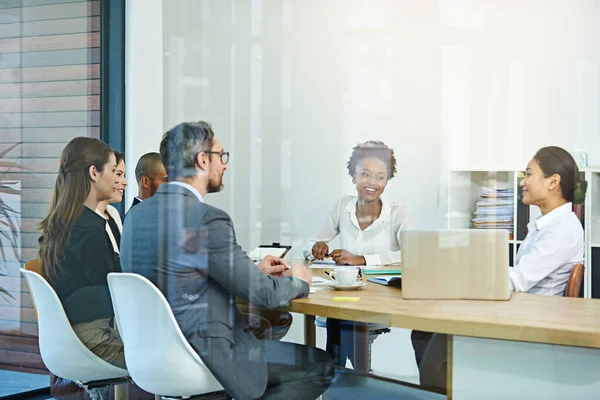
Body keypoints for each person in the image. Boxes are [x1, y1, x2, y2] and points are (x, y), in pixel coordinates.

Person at [121, 121, 333, 400]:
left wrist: (250, 271)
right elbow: (264, 293)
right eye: (221, 156)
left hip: (149, 357)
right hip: (204, 354)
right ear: (202, 160)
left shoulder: (135, 217)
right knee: (319, 365)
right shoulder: (208, 219)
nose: (225, 165)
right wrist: (299, 281)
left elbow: (180, 272)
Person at [414, 146, 587, 394]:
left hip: (527, 323)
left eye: (528, 174)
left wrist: (458, 278)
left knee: (432, 341)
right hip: (517, 311)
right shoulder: (547, 225)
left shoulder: (562, 230)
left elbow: (516, 279)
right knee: (423, 331)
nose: (523, 182)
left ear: (553, 182)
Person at [304, 140, 409, 370]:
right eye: (365, 174)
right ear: (353, 176)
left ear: (387, 180)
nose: (372, 182)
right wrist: (316, 247)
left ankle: (341, 376)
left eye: (380, 176)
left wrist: (361, 259)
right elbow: (311, 241)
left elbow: (411, 254)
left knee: (341, 318)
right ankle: (353, 378)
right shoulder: (343, 206)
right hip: (346, 296)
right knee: (340, 313)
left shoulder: (397, 213)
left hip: (380, 298)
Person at [38, 137, 125, 368]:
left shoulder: (65, 222)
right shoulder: (88, 229)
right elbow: (113, 284)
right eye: (113, 170)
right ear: (94, 173)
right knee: (169, 354)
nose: (118, 179)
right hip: (94, 340)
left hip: (70, 337)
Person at [97, 151, 128, 253]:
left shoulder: (113, 212)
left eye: (124, 175)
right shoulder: (87, 219)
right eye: (118, 174)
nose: (125, 182)